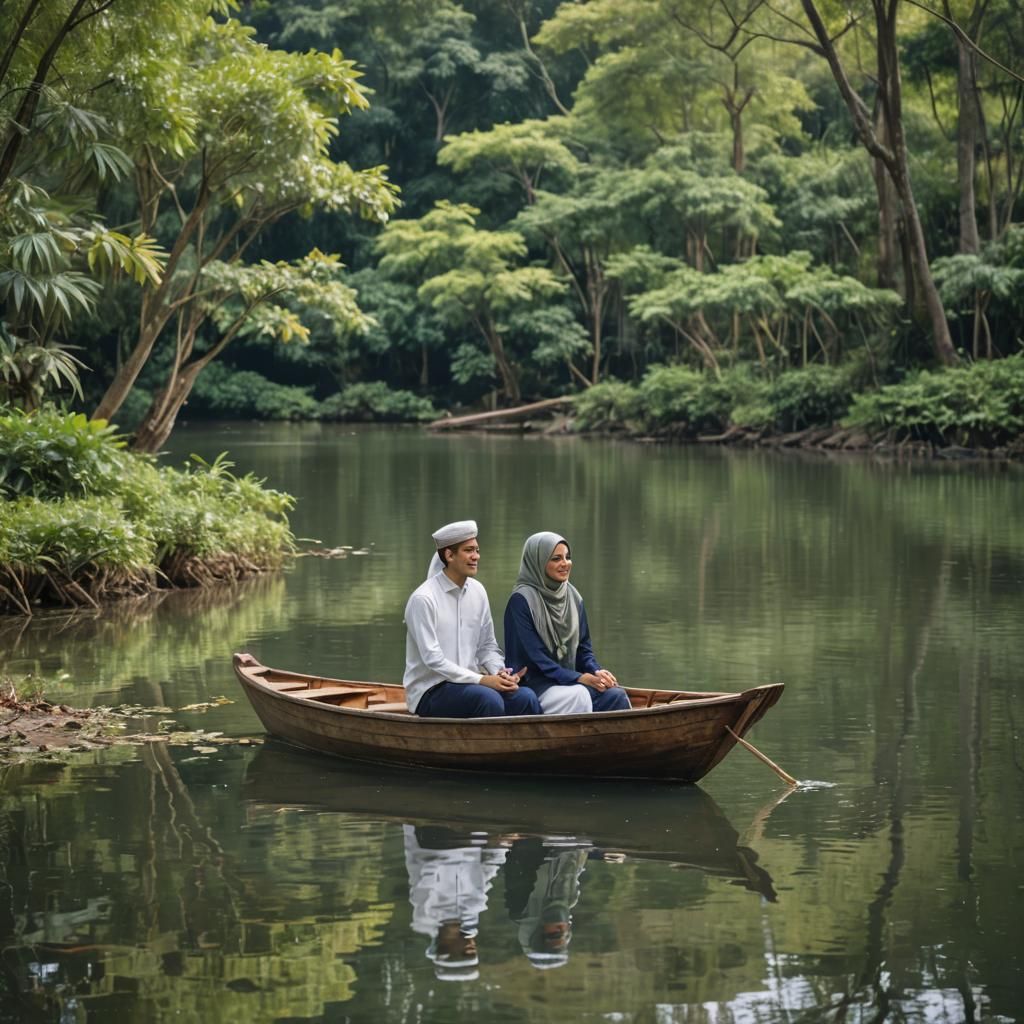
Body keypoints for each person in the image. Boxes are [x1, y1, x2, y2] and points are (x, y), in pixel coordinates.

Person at [404, 520, 541, 718]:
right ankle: (490, 749)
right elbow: (433, 660)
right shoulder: (423, 599)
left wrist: (500, 672)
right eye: (469, 550)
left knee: (525, 697)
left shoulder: (478, 592)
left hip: (471, 684)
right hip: (431, 690)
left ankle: (527, 749)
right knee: (488, 699)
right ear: (449, 555)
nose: (476, 556)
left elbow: (486, 647)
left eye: (477, 550)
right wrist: (482, 680)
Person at [503, 532, 631, 715]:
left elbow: (583, 650)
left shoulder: (574, 597)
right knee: (578, 695)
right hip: (535, 684)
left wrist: (596, 671)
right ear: (538, 562)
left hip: (570, 681)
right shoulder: (521, 601)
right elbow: (537, 659)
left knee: (615, 695)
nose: (565, 564)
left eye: (567, 557)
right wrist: (579, 678)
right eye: (556, 558)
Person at [403, 825, 509, 982]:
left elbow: (424, 868)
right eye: (474, 953)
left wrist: (449, 929)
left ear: (445, 950)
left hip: (436, 838)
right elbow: (487, 872)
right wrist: (501, 847)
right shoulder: (473, 914)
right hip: (473, 837)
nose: (472, 949)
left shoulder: (425, 916)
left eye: (465, 954)